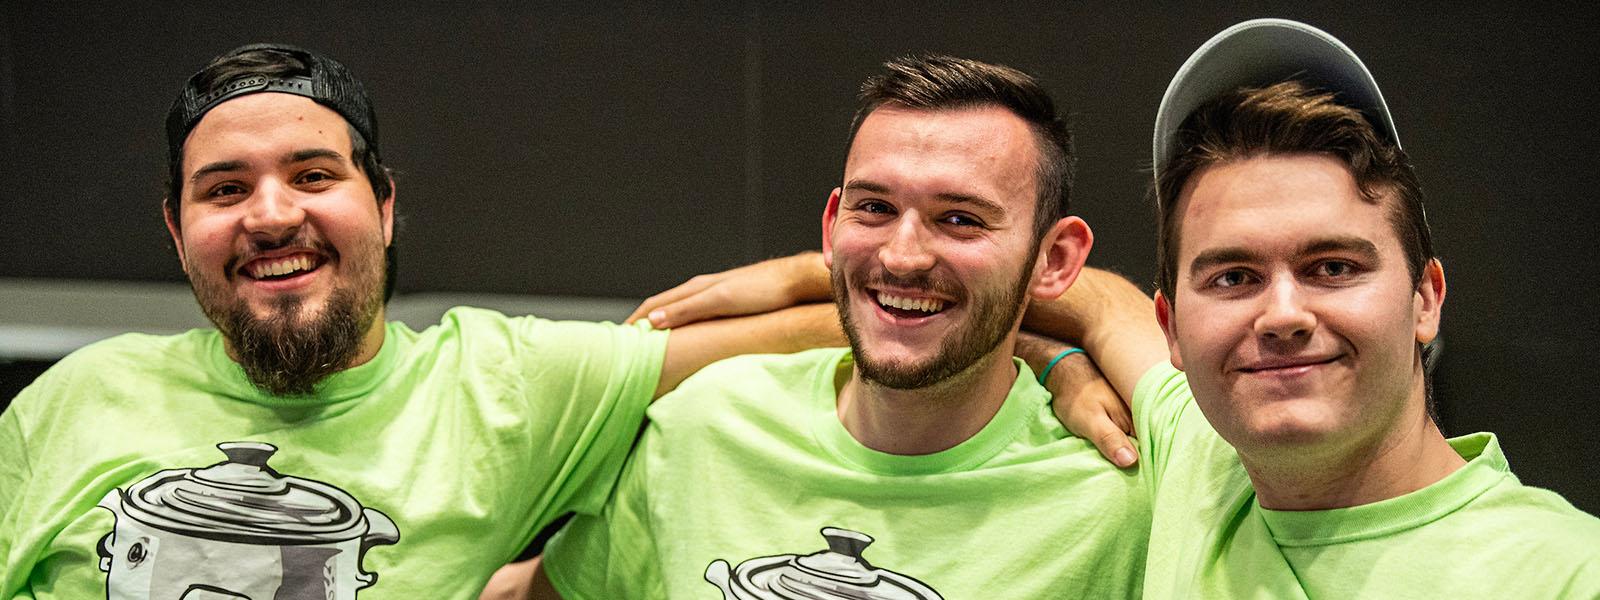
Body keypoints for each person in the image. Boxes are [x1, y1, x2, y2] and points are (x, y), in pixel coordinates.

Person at [0, 44, 1125, 600]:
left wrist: (1049, 346)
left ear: (385, 206)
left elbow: (895, 335)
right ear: (173, 226)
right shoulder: (69, 405)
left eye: (312, 174)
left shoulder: (516, 385)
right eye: (224, 189)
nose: (273, 215)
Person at [528, 55, 1151, 600]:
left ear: (1056, 259)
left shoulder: (1118, 504)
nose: (902, 256)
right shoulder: (703, 426)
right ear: (832, 226)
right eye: (875, 208)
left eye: (959, 219)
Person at [1102, 18, 1600, 597]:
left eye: (1334, 268)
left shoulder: (1569, 575)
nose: (1283, 315)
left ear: (1425, 299)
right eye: (1234, 277)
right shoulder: (1199, 449)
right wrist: (1054, 357)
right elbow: (1076, 298)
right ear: (1172, 330)